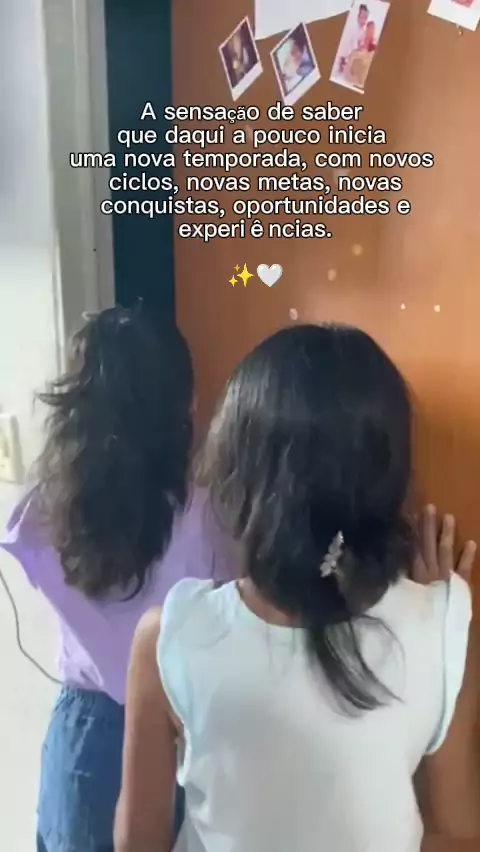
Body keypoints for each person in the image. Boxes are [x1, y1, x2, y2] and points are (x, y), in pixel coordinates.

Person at [115, 324, 480, 852]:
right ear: (388, 472)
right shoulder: (443, 627)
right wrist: (432, 619)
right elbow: (457, 834)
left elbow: (137, 841)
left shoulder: (171, 635)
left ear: (239, 473)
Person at [1, 306, 235, 852]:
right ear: (186, 405)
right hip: (188, 731)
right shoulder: (214, 517)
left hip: (88, 735)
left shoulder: (45, 514)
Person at [338, 3, 369, 73]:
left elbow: (361, 45)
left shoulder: (363, 31)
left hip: (353, 58)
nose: (364, 21)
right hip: (345, 57)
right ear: (358, 16)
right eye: (362, 17)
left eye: (366, 18)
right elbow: (347, 46)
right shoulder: (351, 27)